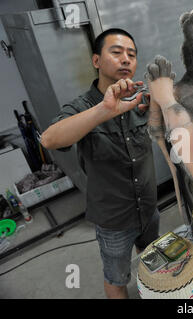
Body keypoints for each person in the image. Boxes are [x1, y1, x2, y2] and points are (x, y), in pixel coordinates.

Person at [40, 28, 160, 299]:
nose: (126, 59)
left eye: (131, 54)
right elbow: (50, 139)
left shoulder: (141, 101)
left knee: (150, 256)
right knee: (116, 278)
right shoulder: (83, 107)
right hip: (114, 219)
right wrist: (103, 110)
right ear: (96, 61)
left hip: (149, 208)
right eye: (116, 52)